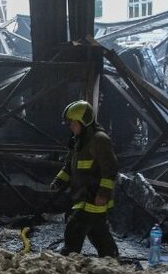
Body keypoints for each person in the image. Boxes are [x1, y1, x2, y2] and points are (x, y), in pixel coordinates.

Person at [50, 100, 119, 258]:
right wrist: (58, 181)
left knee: (75, 227)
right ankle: (110, 257)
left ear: (84, 122)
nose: (70, 127)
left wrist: (103, 193)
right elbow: (70, 166)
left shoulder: (99, 140)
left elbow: (110, 170)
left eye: (73, 123)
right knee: (97, 231)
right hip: (83, 195)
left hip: (93, 196)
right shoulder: (78, 141)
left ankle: (68, 256)